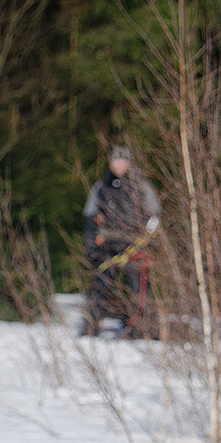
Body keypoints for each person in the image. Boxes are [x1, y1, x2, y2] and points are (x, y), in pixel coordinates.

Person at [80, 145, 161, 339]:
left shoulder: (141, 186)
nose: (117, 164)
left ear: (128, 162)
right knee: (100, 285)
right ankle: (91, 325)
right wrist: (91, 243)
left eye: (121, 160)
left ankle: (142, 327)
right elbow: (90, 215)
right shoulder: (101, 187)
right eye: (114, 160)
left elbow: (155, 215)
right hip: (107, 244)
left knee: (138, 287)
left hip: (135, 244)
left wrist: (147, 239)